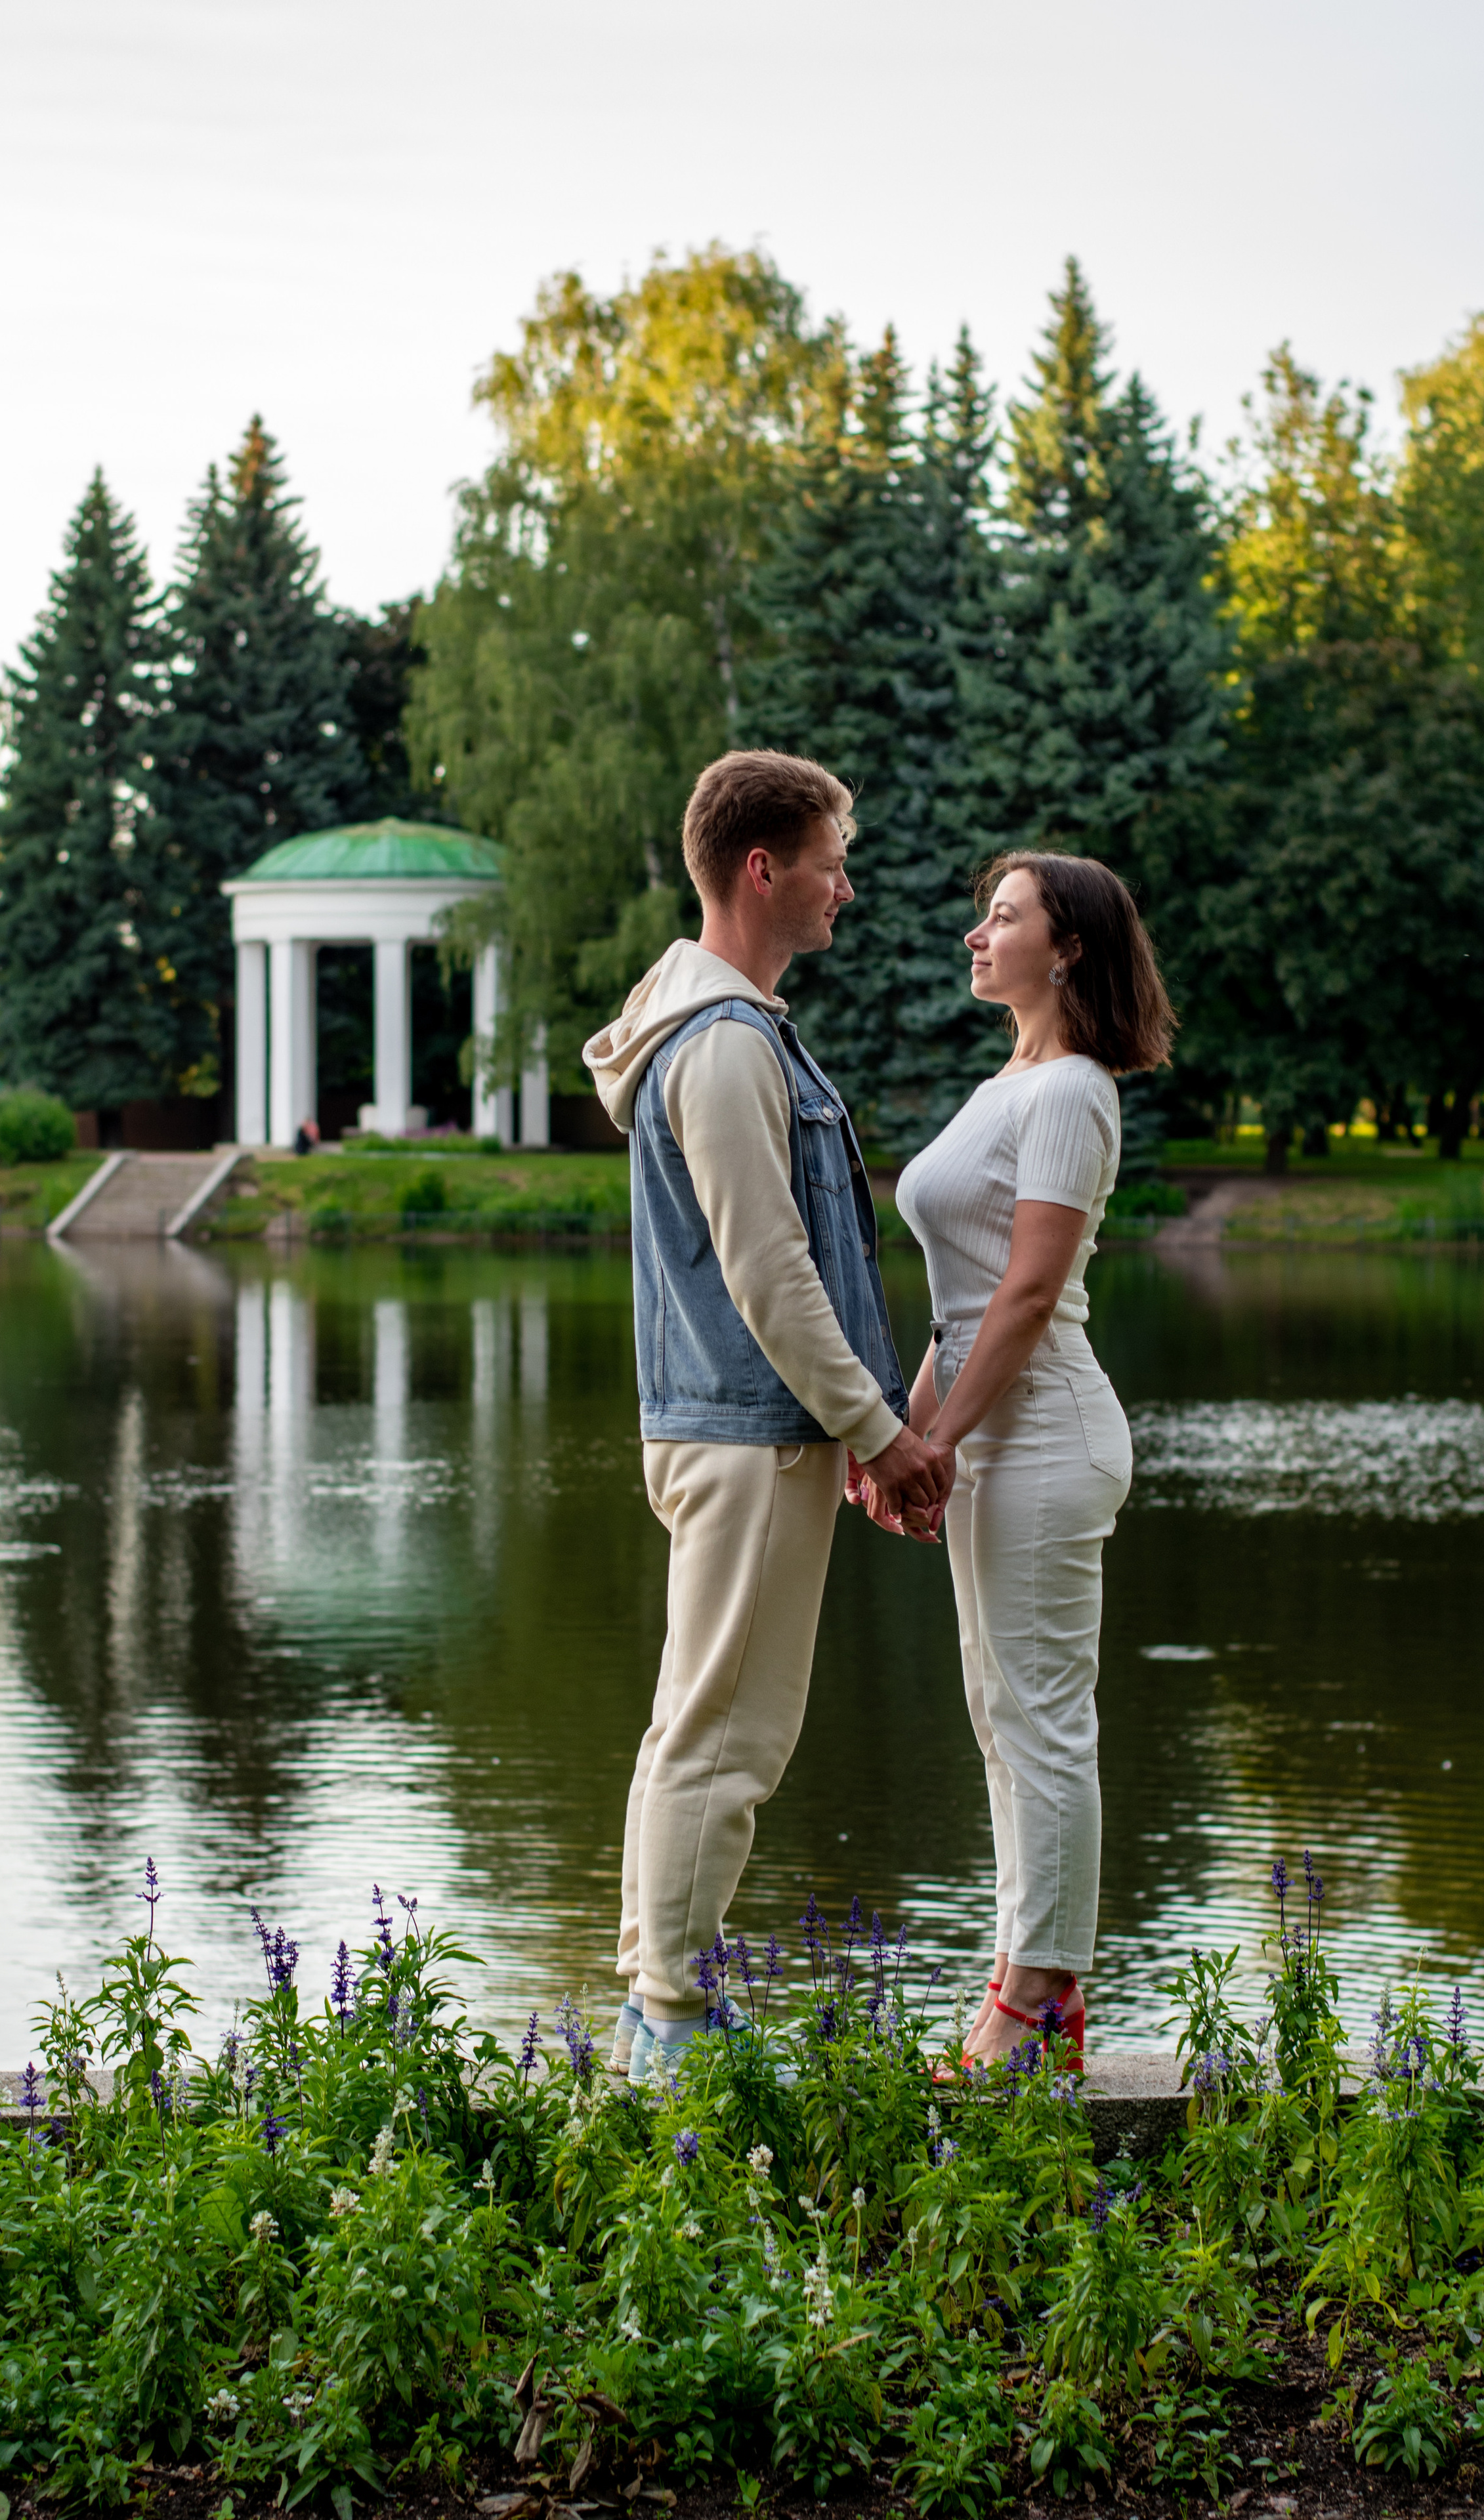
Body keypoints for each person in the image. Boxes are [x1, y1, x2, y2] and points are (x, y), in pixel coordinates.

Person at [583, 749, 955, 2084]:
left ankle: (653, 2004)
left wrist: (853, 1424)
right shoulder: (727, 1042)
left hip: (734, 1428)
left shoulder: (711, 1027)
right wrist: (877, 1432)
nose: (844, 890)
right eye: (829, 865)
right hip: (749, 1436)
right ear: (762, 869)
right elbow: (768, 1269)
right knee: (730, 1737)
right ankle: (676, 2025)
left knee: (695, 1723)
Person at [890, 851, 1175, 2068]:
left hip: (1045, 1434)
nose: (976, 934)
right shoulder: (1007, 1083)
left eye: (1002, 917)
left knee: (1042, 1717)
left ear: (1067, 950)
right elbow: (964, 1302)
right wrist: (902, 1433)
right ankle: (1022, 1978)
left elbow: (1030, 1294)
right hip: (992, 1432)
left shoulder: (1070, 1092)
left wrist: (935, 1442)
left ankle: (1044, 1999)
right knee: (1002, 1713)